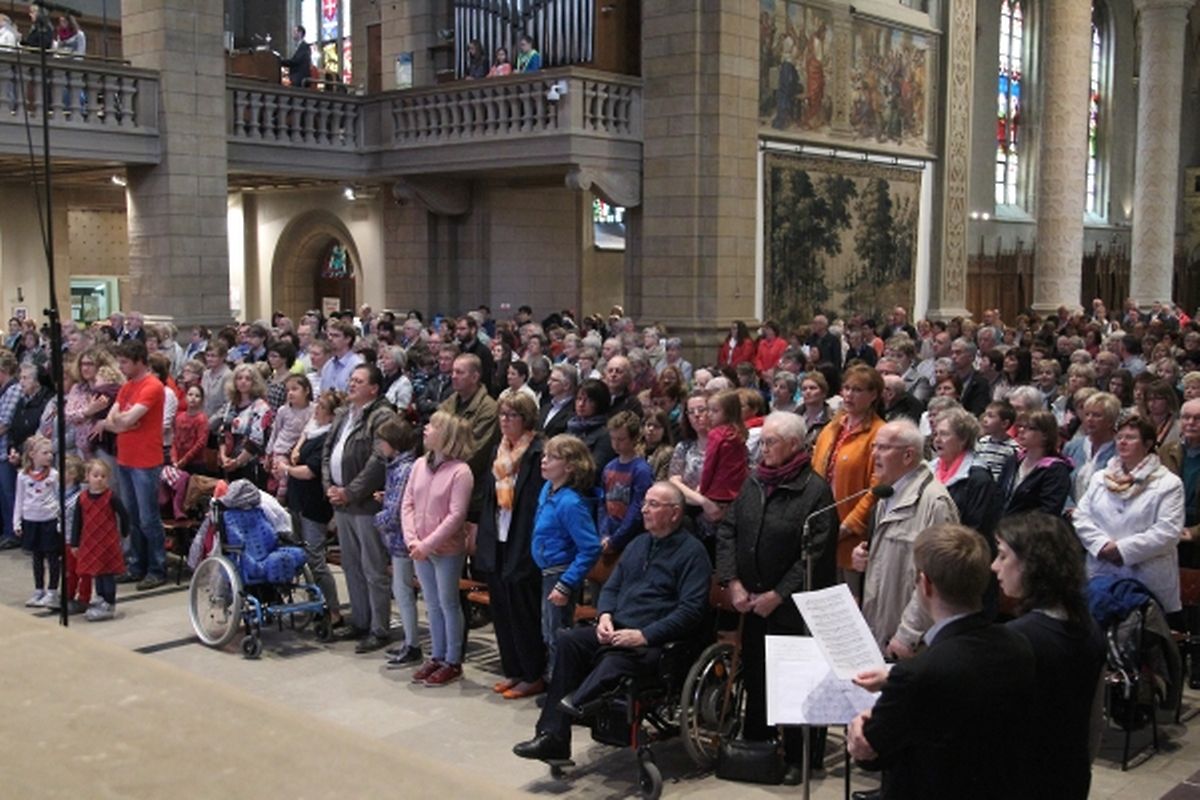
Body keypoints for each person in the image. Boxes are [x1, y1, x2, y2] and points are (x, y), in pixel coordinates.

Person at [513, 481, 710, 763]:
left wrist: (644, 635)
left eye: (653, 504)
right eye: (644, 503)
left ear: (675, 513)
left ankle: (580, 701)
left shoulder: (693, 554)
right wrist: (604, 615)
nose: (644, 509)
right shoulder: (638, 544)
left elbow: (690, 611)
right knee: (569, 640)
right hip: (617, 628)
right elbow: (612, 588)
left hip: (656, 641)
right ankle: (554, 737)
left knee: (617, 659)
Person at [848, 524, 1036, 800]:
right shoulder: (1018, 646)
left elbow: (872, 755)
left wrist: (860, 724)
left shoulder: (916, 674)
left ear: (925, 584)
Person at [717, 412, 838, 785]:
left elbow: (815, 553)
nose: (762, 448)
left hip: (792, 609)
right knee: (756, 674)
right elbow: (728, 530)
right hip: (750, 600)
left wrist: (779, 594)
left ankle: (797, 757)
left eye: (770, 442)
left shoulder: (815, 491)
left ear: (792, 445)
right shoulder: (755, 481)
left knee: (792, 682)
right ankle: (756, 745)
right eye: (763, 441)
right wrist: (732, 581)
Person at [992, 512, 1105, 800]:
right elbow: (1094, 725)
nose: (994, 567)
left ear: (1032, 564)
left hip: (1021, 782)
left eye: (1003, 556)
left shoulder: (1018, 639)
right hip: (1071, 776)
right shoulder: (1088, 628)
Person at [852, 420, 958, 656]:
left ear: (908, 455)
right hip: (880, 630)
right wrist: (866, 558)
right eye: (874, 447)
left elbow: (939, 579)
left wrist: (908, 634)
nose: (875, 455)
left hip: (909, 644)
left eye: (883, 448)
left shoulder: (935, 503)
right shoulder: (887, 493)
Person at [1074, 414, 1185, 615]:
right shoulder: (1100, 478)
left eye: (1131, 437)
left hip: (1147, 577)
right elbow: (1081, 516)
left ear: (1148, 443)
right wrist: (1102, 546)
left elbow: (1168, 532)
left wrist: (1122, 549)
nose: (1123, 442)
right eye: (1120, 437)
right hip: (1101, 572)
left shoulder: (1169, 483)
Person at [476, 393, 547, 698]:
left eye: (512, 415)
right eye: (502, 414)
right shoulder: (499, 449)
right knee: (502, 609)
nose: (504, 420)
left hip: (522, 538)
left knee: (522, 611)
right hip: (499, 536)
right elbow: (490, 497)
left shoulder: (537, 453)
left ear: (527, 419)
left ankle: (533, 674)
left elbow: (534, 503)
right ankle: (514, 670)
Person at [322, 364, 397, 653]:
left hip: (365, 504)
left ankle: (379, 628)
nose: (351, 384)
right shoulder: (343, 414)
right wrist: (330, 487)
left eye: (358, 381)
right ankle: (360, 621)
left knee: (373, 568)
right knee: (351, 565)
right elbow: (328, 451)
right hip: (341, 502)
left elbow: (377, 461)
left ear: (374, 388)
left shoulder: (382, 416)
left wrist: (350, 492)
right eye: (351, 380)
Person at [401, 411, 474, 686]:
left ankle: (452, 660)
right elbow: (407, 504)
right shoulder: (419, 464)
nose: (426, 429)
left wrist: (428, 543)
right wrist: (412, 540)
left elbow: (456, 516)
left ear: (447, 435)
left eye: (433, 426)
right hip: (419, 546)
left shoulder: (460, 472)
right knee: (431, 604)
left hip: (446, 549)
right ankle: (437, 654)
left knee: (447, 603)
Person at [532, 434, 602, 678]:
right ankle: (553, 680)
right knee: (547, 631)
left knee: (557, 633)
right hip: (546, 570)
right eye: (544, 455)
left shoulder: (571, 503)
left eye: (553, 457)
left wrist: (566, 584)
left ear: (570, 466)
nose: (544, 461)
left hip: (560, 573)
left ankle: (561, 684)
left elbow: (591, 547)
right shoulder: (547, 490)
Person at [812, 364, 886, 592]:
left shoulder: (879, 433)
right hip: (821, 527)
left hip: (851, 535)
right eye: (846, 388)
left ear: (873, 395)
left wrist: (849, 525)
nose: (848, 395)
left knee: (847, 601)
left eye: (857, 389)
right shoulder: (832, 427)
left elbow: (877, 488)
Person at [104, 340, 167, 591]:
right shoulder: (127, 387)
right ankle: (136, 565)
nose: (121, 367)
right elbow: (110, 422)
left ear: (139, 361)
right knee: (131, 517)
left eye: (125, 362)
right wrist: (122, 423)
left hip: (145, 460)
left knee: (148, 517)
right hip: (125, 457)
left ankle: (156, 567)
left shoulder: (152, 386)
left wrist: (122, 423)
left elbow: (126, 418)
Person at [283, 390, 345, 631]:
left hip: (314, 505)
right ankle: (313, 603)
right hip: (297, 501)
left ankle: (334, 610)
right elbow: (302, 439)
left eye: (320, 408)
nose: (315, 410)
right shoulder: (313, 430)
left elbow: (310, 471)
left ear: (330, 416)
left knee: (316, 559)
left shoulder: (328, 439)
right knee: (300, 556)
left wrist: (286, 468)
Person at [372, 417, 423, 668]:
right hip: (397, 539)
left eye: (382, 441)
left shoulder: (404, 469)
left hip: (403, 540)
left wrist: (376, 521)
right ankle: (409, 641)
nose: (380, 446)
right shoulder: (397, 467)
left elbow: (395, 513)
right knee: (401, 591)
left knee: (403, 592)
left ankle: (413, 644)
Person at [928, 406, 1002, 543]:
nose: (937, 440)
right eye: (935, 434)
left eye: (944, 434)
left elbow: (977, 529)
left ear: (963, 439)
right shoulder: (928, 470)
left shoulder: (978, 478)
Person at [70, 459, 129, 622]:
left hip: (107, 542)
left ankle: (109, 602)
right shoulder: (81, 499)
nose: (99, 479)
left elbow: (124, 514)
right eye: (96, 475)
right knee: (96, 572)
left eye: (103, 476)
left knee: (107, 573)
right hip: (90, 542)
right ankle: (101, 597)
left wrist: (125, 531)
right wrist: (75, 543)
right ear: (87, 476)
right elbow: (77, 522)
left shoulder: (111, 497)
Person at [997, 410, 1072, 517]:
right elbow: (998, 495)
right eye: (1021, 426)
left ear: (1045, 435)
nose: (1021, 431)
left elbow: (1049, 511)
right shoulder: (1012, 461)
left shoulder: (1055, 470)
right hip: (1002, 528)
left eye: (1030, 428)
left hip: (1031, 530)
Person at [598, 411, 653, 554]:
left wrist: (616, 539)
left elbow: (636, 510)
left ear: (634, 438)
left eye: (621, 439)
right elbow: (603, 504)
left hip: (630, 538)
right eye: (613, 439)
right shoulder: (609, 467)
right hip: (609, 534)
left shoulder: (641, 470)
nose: (616, 444)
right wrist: (604, 534)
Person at [16, 435, 60, 609]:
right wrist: (17, 522)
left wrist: (59, 520)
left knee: (52, 557)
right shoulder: (22, 476)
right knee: (37, 557)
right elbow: (19, 500)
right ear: (32, 454)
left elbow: (58, 497)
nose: (49, 456)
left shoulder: (54, 475)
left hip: (49, 520)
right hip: (31, 519)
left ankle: (52, 591)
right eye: (45, 453)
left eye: (51, 453)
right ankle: (39, 589)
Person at [217, 363, 274, 488]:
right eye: (239, 378)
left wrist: (237, 462)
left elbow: (255, 442)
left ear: (254, 382)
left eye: (248, 379)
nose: (243, 382)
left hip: (250, 465)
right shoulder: (231, 404)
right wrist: (223, 456)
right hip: (229, 462)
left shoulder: (261, 407)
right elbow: (223, 432)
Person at [265, 374, 312, 496]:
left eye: (295, 389)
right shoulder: (283, 411)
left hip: (299, 450)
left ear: (306, 390)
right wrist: (268, 453)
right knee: (283, 482)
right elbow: (275, 432)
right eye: (288, 390)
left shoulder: (313, 409)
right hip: (282, 449)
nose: (290, 393)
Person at [539, 363, 577, 439]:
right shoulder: (545, 407)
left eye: (554, 380)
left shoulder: (575, 411)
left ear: (566, 385)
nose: (548, 383)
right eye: (549, 379)